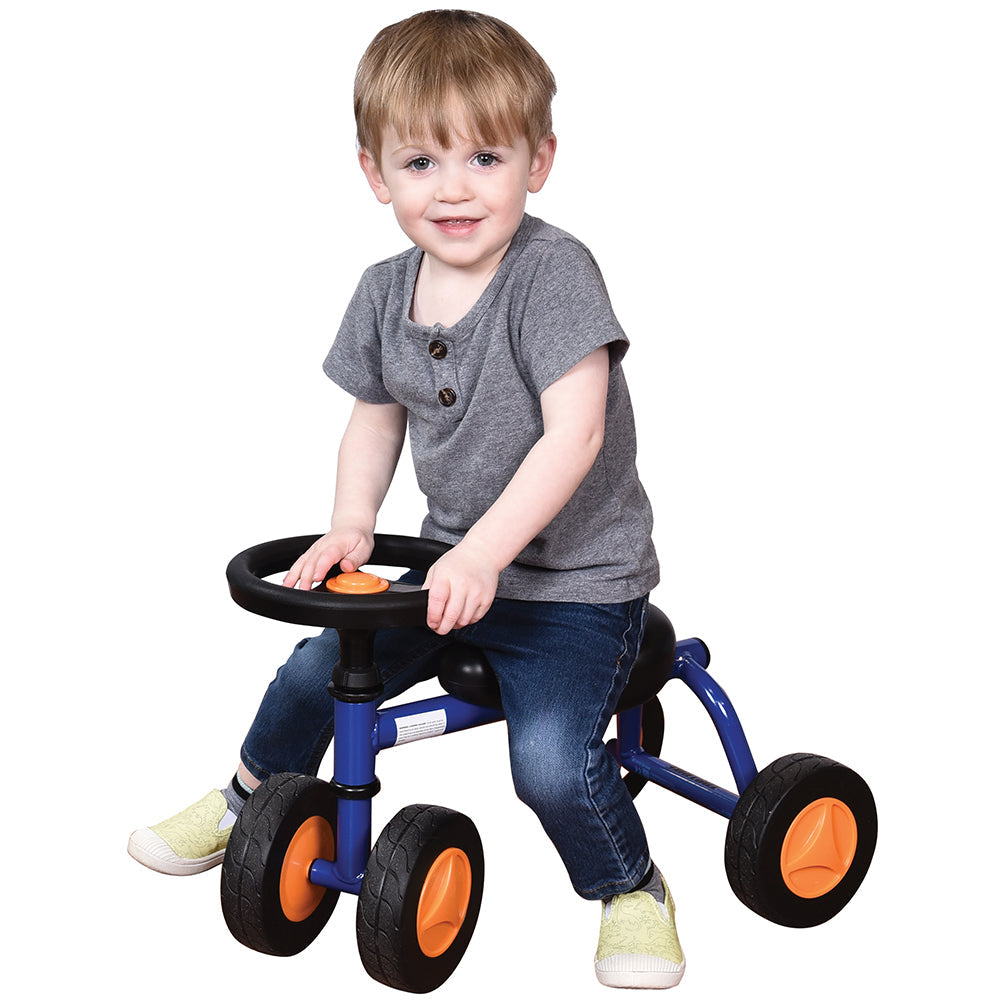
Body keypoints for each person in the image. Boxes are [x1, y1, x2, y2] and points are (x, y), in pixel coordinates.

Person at [129, 10, 683, 990]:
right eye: (421, 162)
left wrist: (484, 556)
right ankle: (247, 798)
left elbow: (576, 434)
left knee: (550, 764)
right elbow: (374, 421)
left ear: (538, 161)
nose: (455, 187)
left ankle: (629, 884)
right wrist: (352, 523)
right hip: (444, 560)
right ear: (375, 175)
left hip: (574, 586)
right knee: (312, 672)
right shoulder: (383, 291)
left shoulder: (553, 275)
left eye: (484, 155)